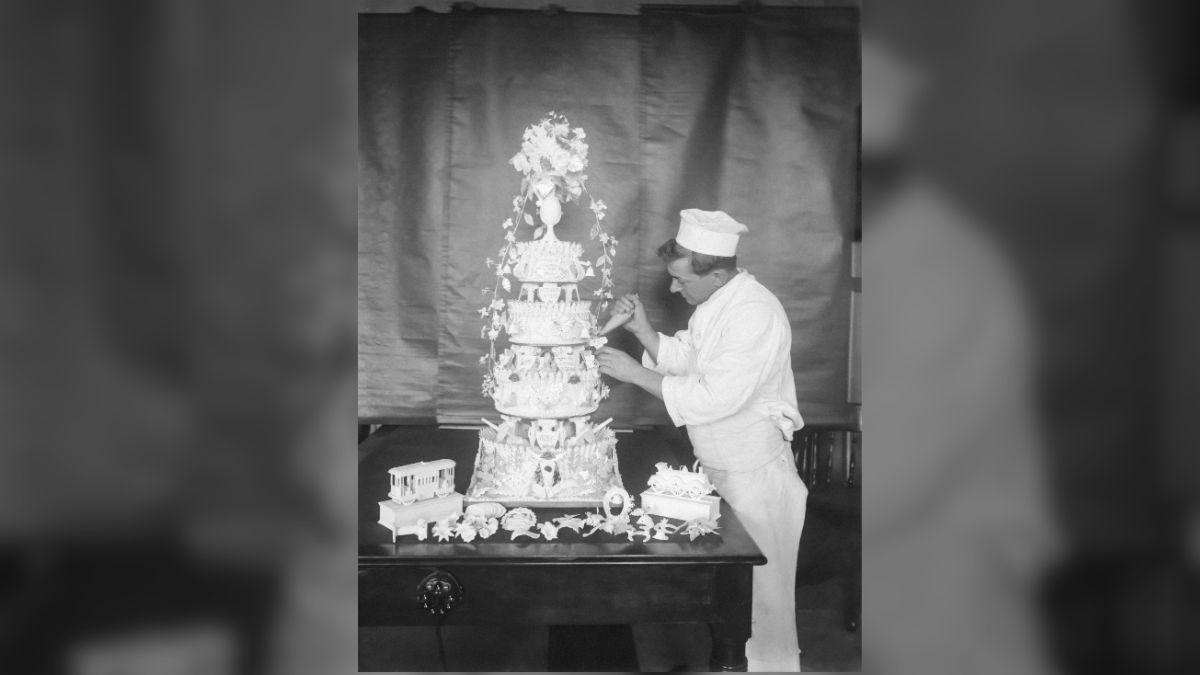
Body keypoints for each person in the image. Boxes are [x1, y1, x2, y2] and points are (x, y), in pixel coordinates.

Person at [597, 208, 809, 672]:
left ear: (716, 274)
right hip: (720, 470)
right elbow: (693, 359)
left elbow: (715, 397)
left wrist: (633, 373)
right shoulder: (716, 302)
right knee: (731, 609)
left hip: (755, 478)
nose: (674, 289)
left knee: (763, 615)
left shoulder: (754, 313)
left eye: (680, 280)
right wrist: (644, 333)